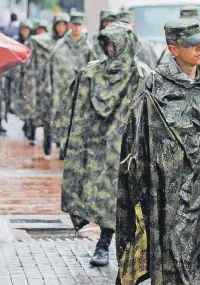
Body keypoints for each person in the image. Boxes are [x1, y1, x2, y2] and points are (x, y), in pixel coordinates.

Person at [116, 19, 200, 285]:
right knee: (175, 261)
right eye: (191, 45)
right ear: (173, 49)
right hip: (172, 195)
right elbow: (136, 140)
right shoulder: (155, 85)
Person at [53, 22, 150, 267]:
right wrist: (66, 138)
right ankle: (105, 242)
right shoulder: (90, 74)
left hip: (129, 150)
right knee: (102, 196)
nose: (109, 49)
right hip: (96, 149)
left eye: (114, 44)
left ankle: (118, 246)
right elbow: (71, 108)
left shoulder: (142, 76)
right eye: (106, 44)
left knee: (128, 199)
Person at [22, 12, 70, 147]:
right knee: (47, 115)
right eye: (58, 25)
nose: (60, 28)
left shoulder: (70, 44)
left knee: (64, 116)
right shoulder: (44, 41)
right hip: (46, 85)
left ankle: (61, 144)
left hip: (64, 86)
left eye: (63, 25)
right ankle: (47, 138)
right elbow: (34, 44)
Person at [50, 12, 93, 158]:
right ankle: (63, 149)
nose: (76, 28)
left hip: (82, 92)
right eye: (74, 25)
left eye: (79, 25)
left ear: (83, 26)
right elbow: (52, 71)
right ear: (70, 26)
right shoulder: (59, 47)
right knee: (64, 122)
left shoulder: (88, 47)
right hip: (62, 91)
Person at [2, 19, 33, 125]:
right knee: (11, 96)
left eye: (27, 30)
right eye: (23, 29)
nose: (25, 32)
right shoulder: (15, 41)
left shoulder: (32, 42)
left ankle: (28, 123)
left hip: (28, 76)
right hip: (15, 75)